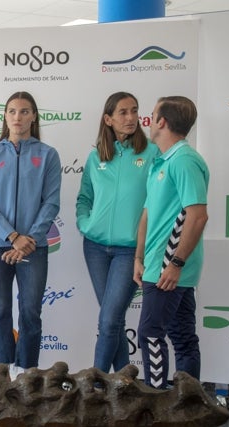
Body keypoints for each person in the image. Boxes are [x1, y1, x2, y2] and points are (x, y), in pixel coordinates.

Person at [0, 91, 61, 376]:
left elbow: (51, 202)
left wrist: (29, 240)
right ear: (4, 116)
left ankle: (28, 374)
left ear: (34, 116)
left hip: (33, 247)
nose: (18, 117)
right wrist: (13, 237)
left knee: (30, 312)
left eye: (25, 111)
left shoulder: (48, 155)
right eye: (12, 111)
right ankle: (0, 374)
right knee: (0, 310)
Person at [76, 92, 159, 373]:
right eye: (123, 112)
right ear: (108, 119)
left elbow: (158, 201)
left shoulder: (151, 153)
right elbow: (84, 198)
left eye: (134, 111)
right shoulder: (95, 156)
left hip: (130, 250)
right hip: (95, 248)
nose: (131, 118)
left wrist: (143, 244)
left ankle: (95, 383)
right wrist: (86, 224)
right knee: (114, 321)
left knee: (110, 321)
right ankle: (126, 384)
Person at [134, 96, 209, 389]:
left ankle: (157, 398)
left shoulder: (185, 161)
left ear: (161, 121)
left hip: (170, 266)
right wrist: (139, 258)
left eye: (151, 114)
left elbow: (198, 216)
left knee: (151, 332)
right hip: (155, 264)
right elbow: (148, 214)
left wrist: (176, 263)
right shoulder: (161, 161)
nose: (148, 119)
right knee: (182, 336)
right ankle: (189, 403)